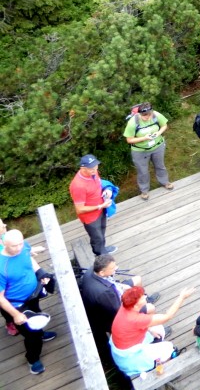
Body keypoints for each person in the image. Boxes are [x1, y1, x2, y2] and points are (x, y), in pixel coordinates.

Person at [79, 254, 159, 361]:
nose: (116, 268)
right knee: (151, 308)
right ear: (102, 272)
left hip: (114, 292)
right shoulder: (103, 294)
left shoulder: (93, 270)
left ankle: (143, 299)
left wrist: (121, 286)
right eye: (112, 268)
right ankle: (153, 334)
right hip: (109, 318)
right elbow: (120, 313)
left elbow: (110, 283)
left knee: (137, 279)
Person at [0, 230, 57, 375]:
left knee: (37, 313)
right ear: (4, 244)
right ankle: (32, 359)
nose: (18, 248)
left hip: (33, 295)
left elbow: (29, 259)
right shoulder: (1, 266)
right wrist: (15, 315)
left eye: (20, 243)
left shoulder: (23, 247)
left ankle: (41, 333)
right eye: (14, 246)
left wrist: (40, 273)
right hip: (17, 305)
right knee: (31, 335)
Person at [110, 285, 193, 377]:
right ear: (136, 304)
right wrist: (182, 297)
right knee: (168, 347)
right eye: (142, 297)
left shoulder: (125, 307)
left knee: (158, 329)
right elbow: (167, 316)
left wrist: (148, 329)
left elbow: (136, 325)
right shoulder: (136, 319)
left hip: (124, 343)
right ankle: (166, 370)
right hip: (128, 358)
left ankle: (154, 350)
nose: (145, 296)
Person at [123, 102, 173, 200]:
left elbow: (164, 125)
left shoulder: (156, 115)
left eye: (149, 115)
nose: (147, 118)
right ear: (140, 114)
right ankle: (144, 190)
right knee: (143, 171)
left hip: (158, 146)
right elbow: (129, 140)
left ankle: (165, 182)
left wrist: (158, 133)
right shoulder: (133, 122)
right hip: (140, 150)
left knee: (160, 166)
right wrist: (144, 138)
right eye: (144, 116)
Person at [70, 154, 117, 255]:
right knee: (97, 237)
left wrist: (107, 189)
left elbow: (99, 183)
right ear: (82, 168)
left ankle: (101, 249)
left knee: (102, 231)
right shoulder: (78, 186)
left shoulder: (93, 173)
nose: (95, 170)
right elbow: (80, 209)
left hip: (101, 209)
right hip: (90, 217)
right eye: (92, 168)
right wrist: (100, 206)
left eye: (96, 166)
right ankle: (100, 255)